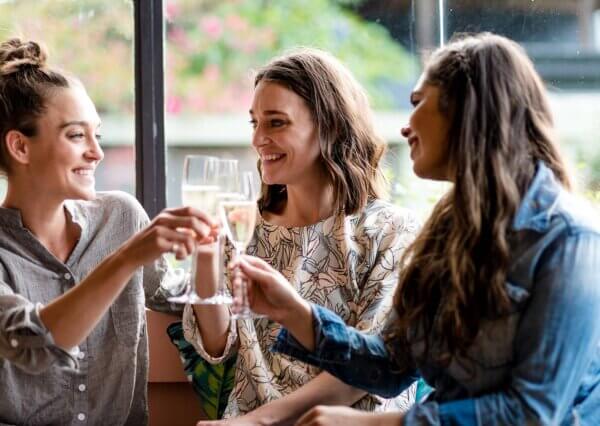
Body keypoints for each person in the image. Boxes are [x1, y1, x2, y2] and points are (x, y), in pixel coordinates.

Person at [226, 33, 600, 425]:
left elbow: (532, 415)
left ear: (466, 111)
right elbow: (391, 365)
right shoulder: (450, 228)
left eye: (418, 103)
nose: (405, 128)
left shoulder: (569, 242)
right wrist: (293, 311)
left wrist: (377, 424)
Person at [183, 48, 421, 423]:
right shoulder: (242, 226)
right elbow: (217, 347)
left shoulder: (391, 232)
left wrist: (262, 419)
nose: (258, 139)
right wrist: (204, 255)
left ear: (332, 127)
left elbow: (372, 366)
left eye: (276, 123)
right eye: (254, 123)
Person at [0, 38, 215, 424]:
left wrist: (215, 256)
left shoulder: (120, 216)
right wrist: (128, 257)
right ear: (20, 146)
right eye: (76, 135)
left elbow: (183, 302)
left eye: (96, 134)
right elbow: (32, 342)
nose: (97, 153)